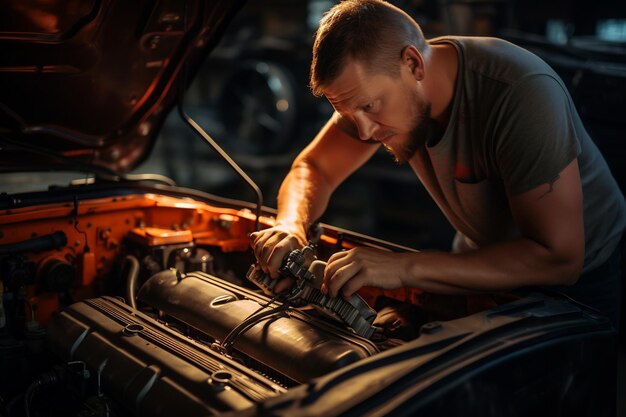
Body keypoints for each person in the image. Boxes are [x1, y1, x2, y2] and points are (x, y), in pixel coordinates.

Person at [249, 0, 626, 326]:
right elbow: (314, 168)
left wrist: (401, 267)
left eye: (369, 107)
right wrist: (291, 225)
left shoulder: (520, 93)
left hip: (579, 285)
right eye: (347, 112)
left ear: (413, 64)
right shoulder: (373, 96)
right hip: (480, 256)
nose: (363, 132)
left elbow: (558, 257)